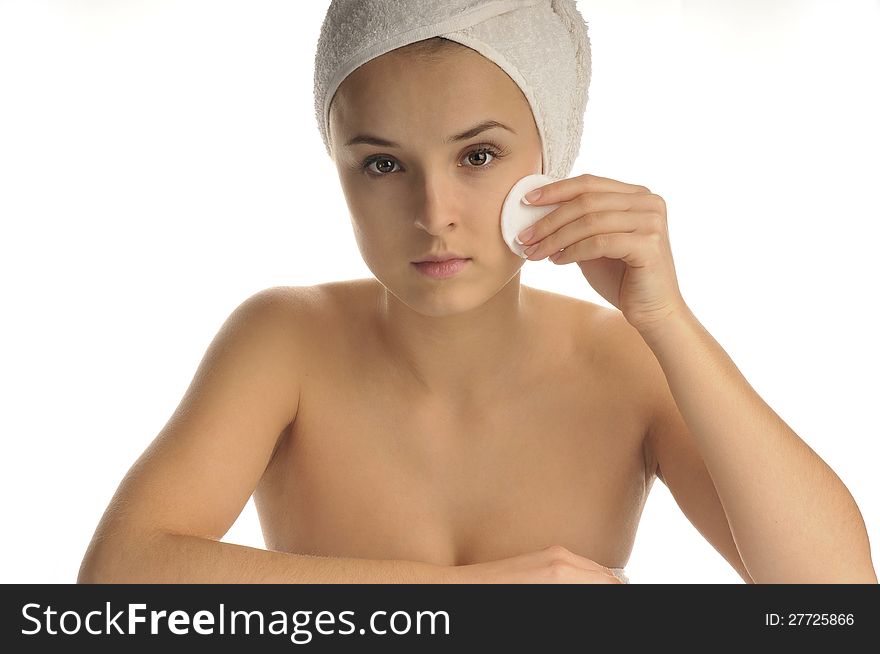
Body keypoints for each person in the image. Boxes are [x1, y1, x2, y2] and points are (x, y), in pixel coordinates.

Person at [77, 0, 876, 585]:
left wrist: (667, 321)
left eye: (479, 157)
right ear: (338, 169)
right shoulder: (283, 340)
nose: (434, 215)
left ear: (549, 158)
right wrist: (478, 597)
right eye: (382, 164)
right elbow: (116, 582)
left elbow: (837, 606)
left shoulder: (629, 365)